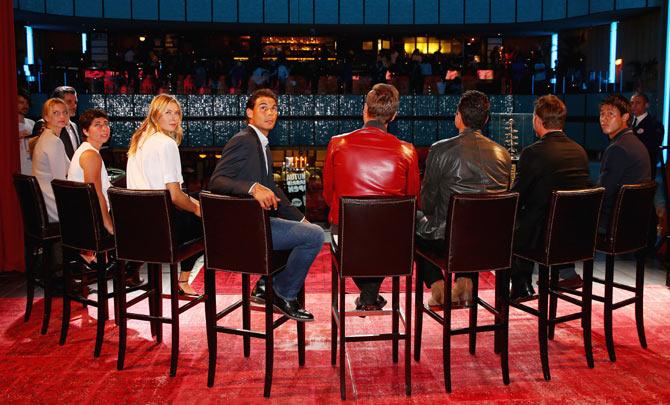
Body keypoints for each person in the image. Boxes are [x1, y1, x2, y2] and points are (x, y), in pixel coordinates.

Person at [209, 89, 323, 322]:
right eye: (263, 108)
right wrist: (252, 187)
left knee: (305, 230)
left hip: (257, 223)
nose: (270, 113)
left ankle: (263, 286)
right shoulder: (244, 140)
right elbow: (216, 182)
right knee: (315, 237)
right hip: (246, 229)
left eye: (274, 108)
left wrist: (300, 218)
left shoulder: (261, 143)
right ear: (249, 113)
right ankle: (282, 292)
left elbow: (273, 188)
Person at [323, 83, 420, 311]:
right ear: (394, 116)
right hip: (391, 245)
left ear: (364, 110)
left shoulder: (337, 144)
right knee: (390, 232)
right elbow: (413, 200)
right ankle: (369, 296)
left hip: (347, 239)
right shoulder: (407, 151)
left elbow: (329, 195)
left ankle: (368, 295)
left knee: (353, 234)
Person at [415, 90, 511, 307]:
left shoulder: (440, 150)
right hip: (490, 243)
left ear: (458, 116)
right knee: (475, 225)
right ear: (486, 120)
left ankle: (438, 286)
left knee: (412, 219)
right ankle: (465, 284)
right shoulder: (503, 154)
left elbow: (427, 205)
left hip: (447, 241)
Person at [509, 95, 591, 302]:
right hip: (575, 235)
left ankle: (520, 284)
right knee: (532, 216)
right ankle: (555, 276)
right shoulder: (580, 151)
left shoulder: (533, 152)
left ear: (537, 119)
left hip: (543, 237)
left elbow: (516, 196)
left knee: (509, 222)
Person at [126, 94, 202, 296]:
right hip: (160, 225)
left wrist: (196, 203)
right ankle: (183, 281)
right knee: (208, 223)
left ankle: (131, 266)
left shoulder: (139, 140)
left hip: (138, 220)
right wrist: (198, 210)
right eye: (167, 112)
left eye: (177, 113)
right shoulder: (166, 144)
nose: (174, 118)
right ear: (155, 114)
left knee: (199, 200)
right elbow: (176, 197)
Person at [598, 94, 651, 232]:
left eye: (611, 114)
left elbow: (603, 192)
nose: (604, 119)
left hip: (614, 223)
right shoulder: (633, 141)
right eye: (602, 114)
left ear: (625, 117)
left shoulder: (618, 148)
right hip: (633, 220)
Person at [630, 92, 665, 252]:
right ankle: (630, 242)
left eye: (638, 102)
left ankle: (647, 244)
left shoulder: (654, 125)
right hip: (629, 173)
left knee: (647, 208)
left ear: (646, 105)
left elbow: (650, 148)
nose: (634, 106)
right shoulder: (629, 123)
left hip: (646, 172)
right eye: (632, 103)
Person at [31, 98, 70, 223]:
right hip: (53, 204)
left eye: (64, 112)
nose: (62, 116)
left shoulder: (46, 137)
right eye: (56, 113)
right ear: (46, 117)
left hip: (45, 200)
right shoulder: (54, 141)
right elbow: (60, 181)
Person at [32, 86, 81, 160]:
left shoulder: (74, 125)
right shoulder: (43, 124)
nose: (74, 106)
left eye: (75, 102)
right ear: (58, 103)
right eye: (69, 102)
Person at [18, 90, 35, 175]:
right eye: (21, 102)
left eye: (27, 103)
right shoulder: (7, 127)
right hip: (17, 168)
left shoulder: (32, 123)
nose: (25, 106)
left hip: (32, 168)